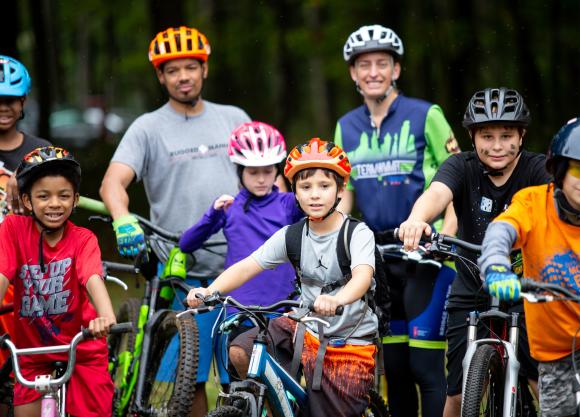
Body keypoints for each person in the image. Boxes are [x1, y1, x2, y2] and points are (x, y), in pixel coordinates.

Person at [99, 26, 250, 416]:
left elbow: (268, 177)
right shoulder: (148, 128)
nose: (183, 77)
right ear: (160, 77)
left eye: (190, 67)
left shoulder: (233, 118)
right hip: (182, 272)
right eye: (172, 70)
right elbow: (113, 181)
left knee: (242, 368)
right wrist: (122, 220)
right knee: (191, 376)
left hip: (241, 267)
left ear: (204, 69)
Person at [187, 138, 378, 417]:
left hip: (348, 339)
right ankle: (276, 407)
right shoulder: (292, 234)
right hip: (304, 325)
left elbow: (362, 277)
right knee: (242, 350)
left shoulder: (357, 233)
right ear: (294, 192)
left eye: (324, 186)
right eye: (305, 187)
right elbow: (247, 266)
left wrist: (337, 299)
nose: (314, 195)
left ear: (340, 188)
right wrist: (210, 290)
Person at [398, 87, 551, 417]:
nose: (496, 146)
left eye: (506, 135)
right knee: (457, 394)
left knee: (544, 386)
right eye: (486, 136)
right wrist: (416, 219)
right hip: (470, 288)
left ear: (521, 136)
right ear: (472, 136)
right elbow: (437, 193)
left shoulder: (538, 170)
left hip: (527, 290)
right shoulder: (461, 166)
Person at [334, 24, 459, 417]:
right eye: (364, 65)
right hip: (379, 259)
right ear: (353, 73)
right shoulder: (346, 126)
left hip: (427, 256)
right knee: (397, 371)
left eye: (382, 64)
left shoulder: (427, 115)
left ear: (396, 70)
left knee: (425, 367)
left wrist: (447, 238)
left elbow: (457, 179)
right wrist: (337, 234)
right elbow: (346, 190)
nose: (373, 71)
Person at [478, 116, 580, 417]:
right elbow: (500, 231)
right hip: (558, 341)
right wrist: (496, 267)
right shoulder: (533, 204)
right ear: (560, 169)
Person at [0, 146, 116, 417]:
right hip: (33, 352)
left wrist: (106, 316)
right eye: (43, 196)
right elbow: (3, 275)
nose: (54, 204)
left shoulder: (83, 238)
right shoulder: (13, 230)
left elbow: (92, 277)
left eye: (64, 196)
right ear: (27, 201)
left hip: (82, 345)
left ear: (75, 200)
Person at [179, 121, 302, 319]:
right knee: (236, 351)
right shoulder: (229, 207)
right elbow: (186, 244)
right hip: (239, 307)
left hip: (284, 305)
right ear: (240, 172)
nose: (261, 179)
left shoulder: (289, 203)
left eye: (268, 171)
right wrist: (212, 214)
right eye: (253, 172)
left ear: (278, 171)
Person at [0, 55, 51, 368]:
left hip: (30, 264)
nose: (3, 107)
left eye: (11, 100)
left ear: (23, 102)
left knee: (28, 362)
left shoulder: (42, 150)